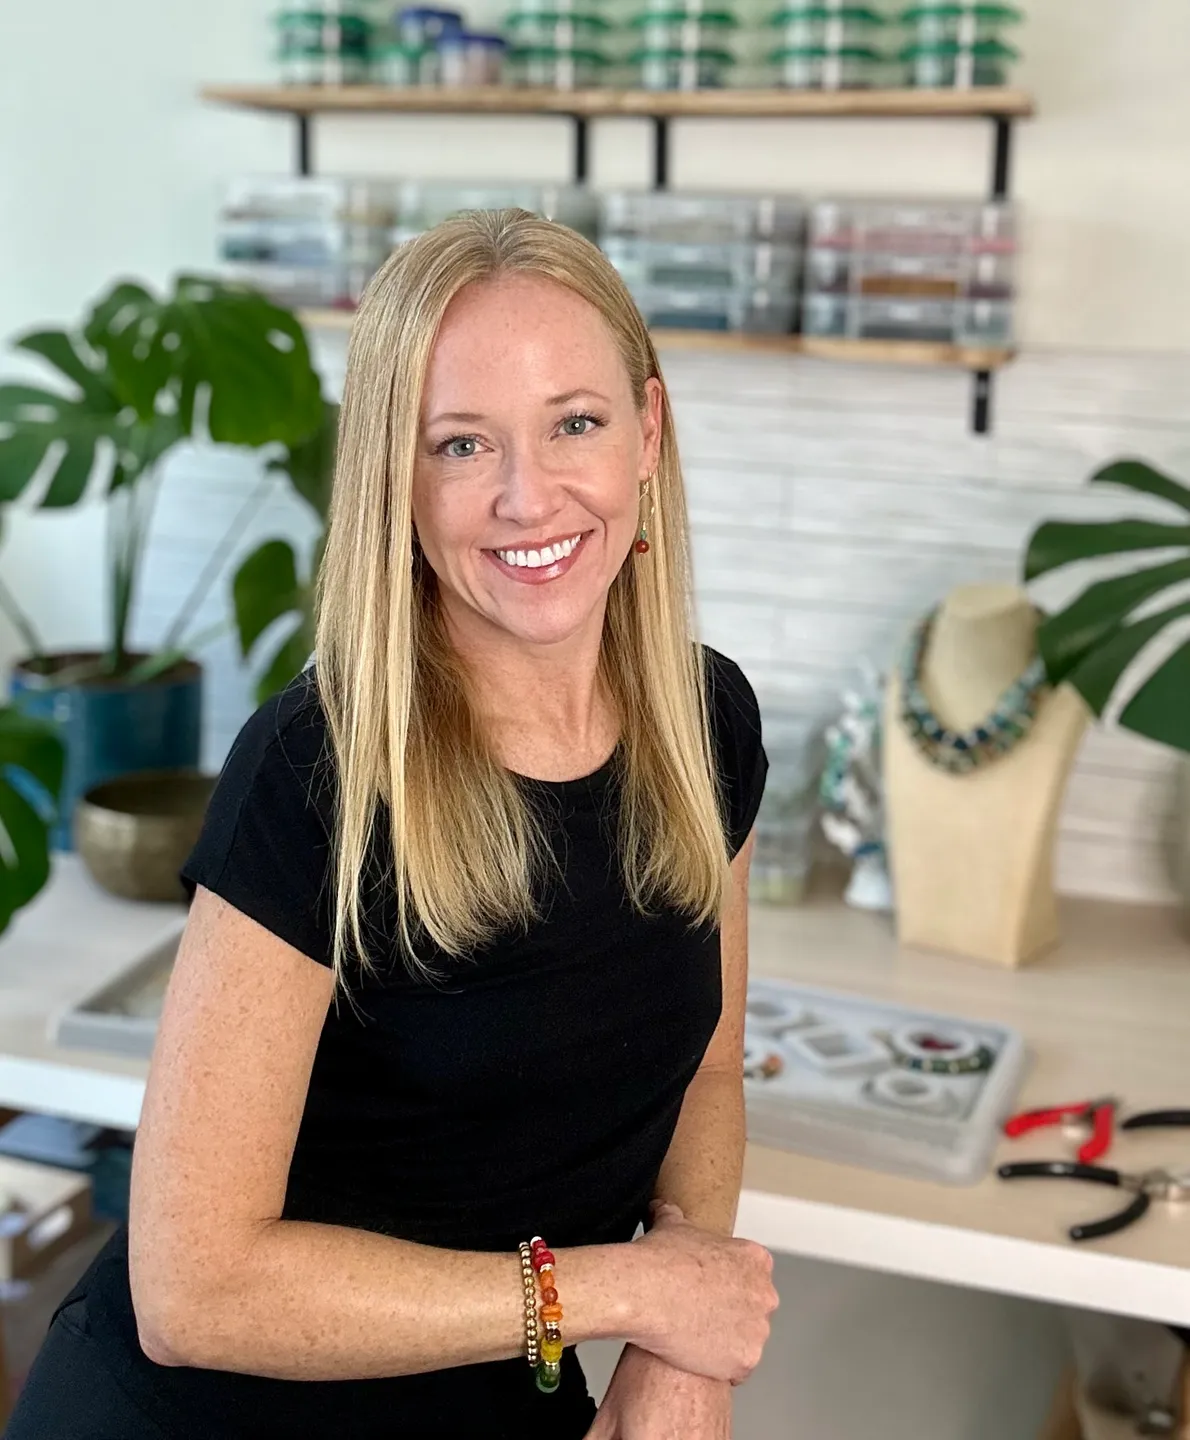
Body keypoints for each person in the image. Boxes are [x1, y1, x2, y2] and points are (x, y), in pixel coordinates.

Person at [5, 208, 777, 1440]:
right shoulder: (316, 770)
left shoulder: (706, 723)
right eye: (461, 444)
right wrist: (625, 1289)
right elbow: (192, 1291)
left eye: (573, 423)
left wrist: (677, 1337)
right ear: (394, 483)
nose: (530, 498)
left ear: (648, 431)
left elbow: (711, 1068)